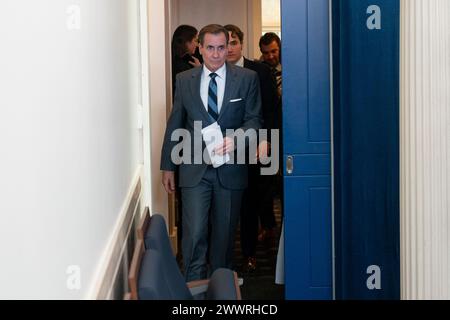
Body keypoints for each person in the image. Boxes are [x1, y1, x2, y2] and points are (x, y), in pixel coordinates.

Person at [160, 24, 262, 282]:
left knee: (224, 239)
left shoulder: (247, 78)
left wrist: (236, 138)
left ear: (227, 47)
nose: (216, 54)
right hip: (194, 170)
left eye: (221, 47)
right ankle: (193, 291)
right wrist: (168, 166)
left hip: (231, 169)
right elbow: (175, 123)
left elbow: (254, 121)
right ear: (200, 48)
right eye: (210, 48)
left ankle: (219, 290)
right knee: (193, 235)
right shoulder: (184, 80)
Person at [224, 24, 278, 272]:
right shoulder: (213, 71)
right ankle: (222, 260)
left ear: (242, 44)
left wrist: (268, 140)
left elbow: (270, 110)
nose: (230, 48)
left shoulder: (260, 71)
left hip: (256, 147)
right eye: (226, 44)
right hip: (222, 150)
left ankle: (248, 255)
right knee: (223, 206)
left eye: (234, 42)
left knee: (251, 203)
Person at [259, 32, 283, 242]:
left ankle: (287, 224)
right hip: (267, 136)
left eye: (274, 51)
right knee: (265, 184)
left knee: (285, 182)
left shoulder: (292, 66)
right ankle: (268, 226)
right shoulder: (258, 71)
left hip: (288, 135)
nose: (270, 56)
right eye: (266, 52)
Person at [171, 25, 202, 95]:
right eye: (196, 41)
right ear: (186, 41)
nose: (197, 45)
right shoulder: (180, 66)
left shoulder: (182, 59)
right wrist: (200, 71)